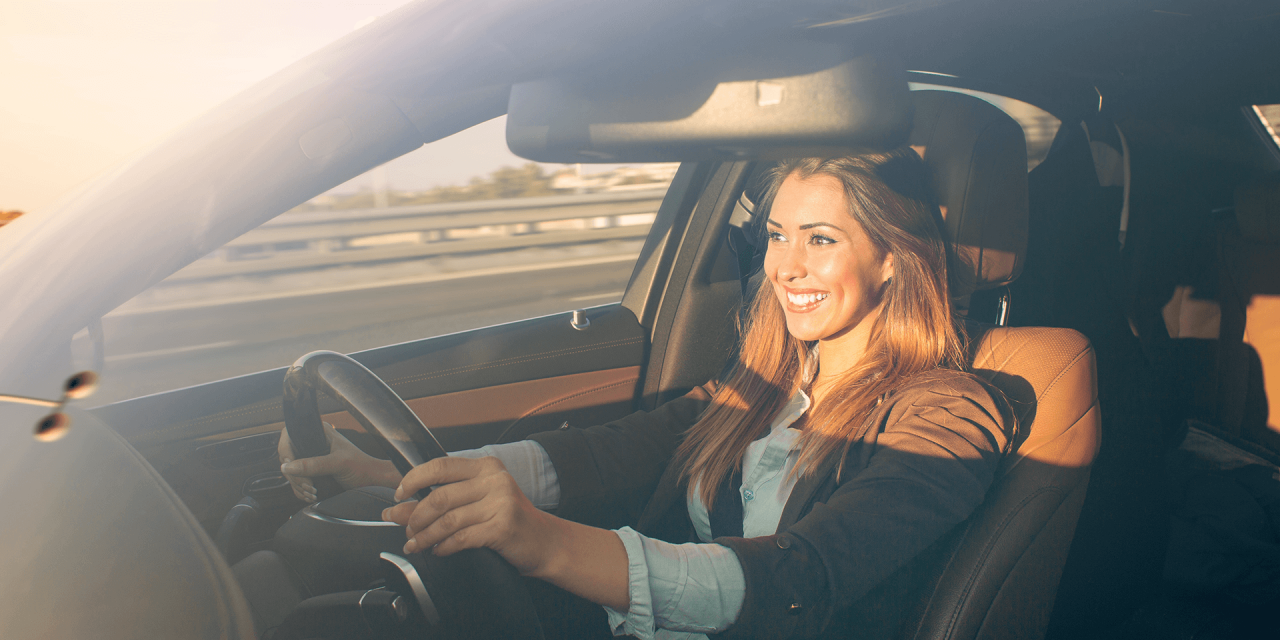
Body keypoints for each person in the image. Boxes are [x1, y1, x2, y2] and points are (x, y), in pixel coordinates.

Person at [279, 149, 1014, 639]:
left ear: (891, 258)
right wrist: (397, 472)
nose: (786, 267)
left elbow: (802, 577)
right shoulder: (769, 381)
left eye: (820, 240)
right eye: (778, 236)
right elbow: (610, 454)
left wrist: (542, 542)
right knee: (316, 591)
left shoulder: (948, 415)